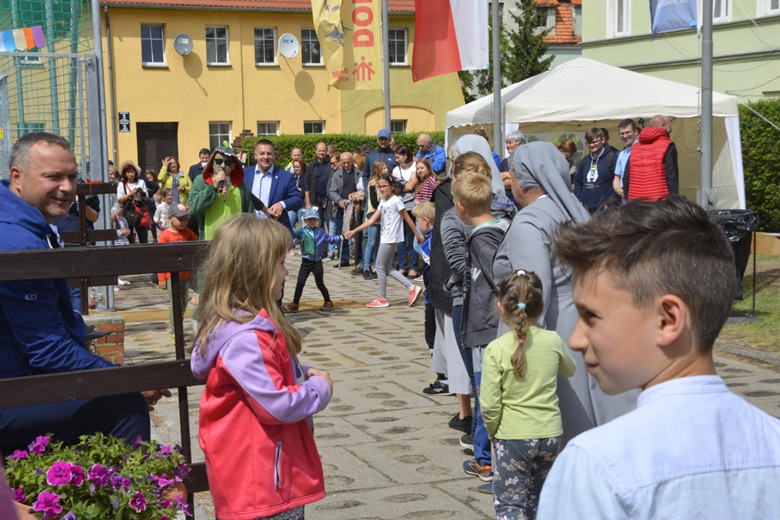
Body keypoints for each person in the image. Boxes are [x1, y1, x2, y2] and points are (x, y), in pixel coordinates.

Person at [537, 196, 780, 519]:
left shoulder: (595, 465)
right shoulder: (772, 441)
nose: (576, 339)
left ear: (667, 320)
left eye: (592, 316)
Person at [0, 132, 167, 454]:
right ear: (17, 177)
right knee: (124, 404)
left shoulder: (23, 223)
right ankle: (131, 499)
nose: (66, 187)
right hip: (12, 391)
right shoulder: (17, 243)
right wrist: (125, 380)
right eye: (53, 177)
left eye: (72, 177)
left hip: (20, 379)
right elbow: (46, 351)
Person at [191, 215, 333, 520]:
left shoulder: (238, 327)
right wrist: (319, 389)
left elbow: (265, 375)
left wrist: (299, 371)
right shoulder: (247, 338)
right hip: (264, 481)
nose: (286, 272)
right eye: (281, 263)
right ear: (259, 272)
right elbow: (277, 404)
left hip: (263, 474)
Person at [494, 141, 636, 445]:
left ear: (521, 181)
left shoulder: (529, 221)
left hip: (557, 328)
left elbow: (533, 294)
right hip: (587, 321)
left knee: (571, 419)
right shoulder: (573, 210)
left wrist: (520, 352)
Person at [482, 270, 576, 519]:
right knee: (539, 501)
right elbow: (570, 369)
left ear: (501, 306)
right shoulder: (552, 340)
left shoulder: (496, 348)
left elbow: (490, 404)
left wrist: (493, 432)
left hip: (513, 436)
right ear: (540, 307)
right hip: (550, 434)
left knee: (510, 504)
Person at [452, 169, 511, 486]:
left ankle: (487, 460)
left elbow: (499, 277)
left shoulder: (482, 236)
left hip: (487, 327)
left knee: (485, 394)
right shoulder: (499, 227)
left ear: (460, 206)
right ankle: (487, 457)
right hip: (488, 326)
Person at [345, 174, 423, 308]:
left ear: (392, 186)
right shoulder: (383, 202)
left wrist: (417, 235)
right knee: (388, 268)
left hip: (391, 238)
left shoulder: (396, 201)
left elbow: (408, 219)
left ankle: (382, 298)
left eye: (384, 186)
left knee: (379, 267)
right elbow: (371, 220)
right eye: (379, 186)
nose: (382, 189)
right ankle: (412, 288)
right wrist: (354, 231)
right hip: (385, 236)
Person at [283, 208, 343, 313]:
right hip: (305, 263)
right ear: (305, 221)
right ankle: (295, 304)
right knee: (300, 283)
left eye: (314, 219)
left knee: (320, 283)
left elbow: (331, 239)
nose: (311, 221)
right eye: (309, 219)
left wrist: (342, 237)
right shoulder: (302, 232)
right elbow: (290, 230)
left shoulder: (321, 232)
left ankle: (328, 301)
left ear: (317, 220)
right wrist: (284, 219)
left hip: (317, 263)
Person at [188, 147, 255, 241]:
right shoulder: (201, 181)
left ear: (233, 166)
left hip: (237, 242)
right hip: (210, 242)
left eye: (227, 162)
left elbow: (250, 213)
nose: (223, 165)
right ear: (212, 163)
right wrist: (213, 187)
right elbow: (195, 208)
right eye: (219, 161)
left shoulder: (240, 184)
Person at [157, 204, 198, 344]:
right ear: (170, 218)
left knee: (184, 302)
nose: (184, 222)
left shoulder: (188, 232)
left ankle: (178, 325)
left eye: (186, 219)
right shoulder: (165, 236)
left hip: (186, 275)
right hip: (171, 277)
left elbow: (196, 245)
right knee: (175, 304)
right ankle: (176, 331)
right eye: (180, 219)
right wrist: (161, 278)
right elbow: (160, 259)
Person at [244, 139, 304, 232]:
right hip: (249, 230)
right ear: (255, 156)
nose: (265, 157)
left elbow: (298, 199)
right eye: (262, 153)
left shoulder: (285, 176)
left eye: (269, 154)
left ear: (274, 156)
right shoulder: (244, 174)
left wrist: (282, 204)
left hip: (275, 231)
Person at [623, 114, 679, 202]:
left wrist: (628, 199)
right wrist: (675, 202)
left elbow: (626, 177)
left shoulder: (635, 147)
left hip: (635, 204)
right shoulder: (668, 145)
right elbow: (671, 177)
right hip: (659, 203)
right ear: (662, 126)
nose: (670, 129)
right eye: (669, 126)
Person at [328, 152, 363, 269]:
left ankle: (359, 259)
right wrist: (339, 201)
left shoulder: (359, 172)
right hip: (342, 207)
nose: (347, 165)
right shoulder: (337, 174)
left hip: (356, 207)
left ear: (352, 161)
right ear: (340, 163)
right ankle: (344, 259)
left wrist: (357, 198)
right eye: (344, 163)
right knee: (342, 234)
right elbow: (332, 191)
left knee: (357, 234)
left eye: (348, 162)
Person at [573, 127, 618, 214]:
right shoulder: (585, 160)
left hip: (606, 211)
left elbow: (618, 181)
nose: (592, 145)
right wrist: (580, 199)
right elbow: (578, 181)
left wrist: (610, 203)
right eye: (589, 143)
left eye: (594, 142)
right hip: (586, 211)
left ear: (603, 140)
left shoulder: (612, 157)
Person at [392, 144, 419, 278]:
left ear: (405, 155)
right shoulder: (396, 169)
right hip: (399, 205)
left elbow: (411, 186)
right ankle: (402, 266)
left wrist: (402, 186)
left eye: (398, 157)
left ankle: (414, 266)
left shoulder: (415, 167)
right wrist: (404, 185)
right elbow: (394, 187)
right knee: (400, 238)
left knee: (411, 236)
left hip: (411, 206)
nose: (396, 160)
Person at [361, 160, 388, 281]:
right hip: (374, 215)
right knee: (371, 242)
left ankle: (376, 267)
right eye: (384, 168)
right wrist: (382, 208)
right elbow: (374, 201)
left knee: (379, 243)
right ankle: (366, 267)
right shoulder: (373, 183)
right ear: (378, 170)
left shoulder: (386, 182)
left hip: (383, 216)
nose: (387, 169)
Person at [117, 160, 151, 243]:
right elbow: (120, 199)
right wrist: (130, 193)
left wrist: (141, 194)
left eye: (132, 172)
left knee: (143, 234)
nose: (130, 174)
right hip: (127, 208)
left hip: (139, 208)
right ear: (125, 174)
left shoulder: (141, 182)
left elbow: (147, 198)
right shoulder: (122, 184)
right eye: (128, 172)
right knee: (129, 234)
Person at [305, 142, 332, 224]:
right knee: (318, 225)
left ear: (327, 151)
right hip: (316, 201)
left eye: (323, 150)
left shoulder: (332, 163)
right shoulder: (311, 165)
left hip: (329, 201)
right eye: (319, 150)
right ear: (316, 151)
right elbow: (307, 186)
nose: (321, 153)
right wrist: (308, 203)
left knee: (330, 224)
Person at [612, 118, 639, 200]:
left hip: (639, 198)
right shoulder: (621, 154)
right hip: (625, 200)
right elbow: (617, 177)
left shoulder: (644, 150)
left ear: (635, 132)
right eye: (622, 133)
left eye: (628, 132)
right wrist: (617, 189)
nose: (625, 136)